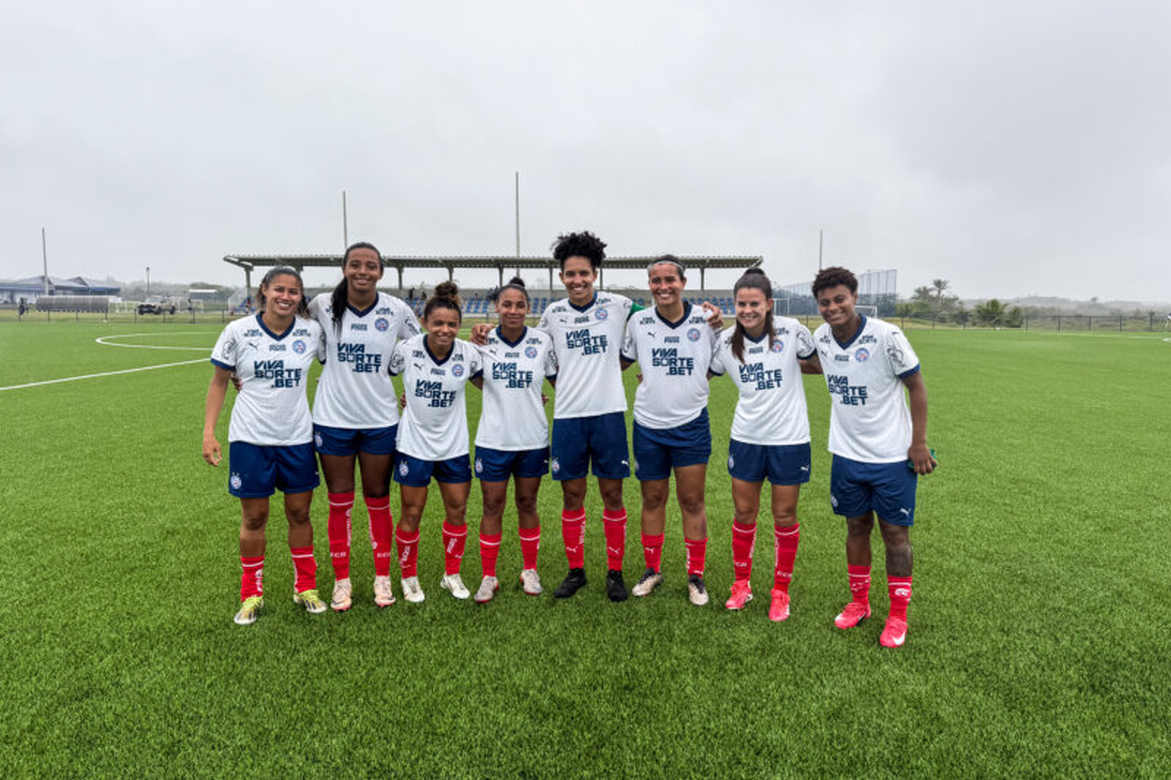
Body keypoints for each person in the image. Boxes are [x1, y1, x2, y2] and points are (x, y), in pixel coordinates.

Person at [809, 266, 937, 648]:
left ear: (854, 297)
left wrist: (918, 444)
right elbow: (816, 364)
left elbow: (916, 386)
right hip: (846, 455)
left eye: (839, 300)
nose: (833, 308)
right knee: (855, 528)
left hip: (892, 457)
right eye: (825, 302)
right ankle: (860, 603)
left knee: (895, 534)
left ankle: (898, 616)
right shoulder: (822, 338)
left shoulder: (887, 336)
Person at [202, 266, 326, 626]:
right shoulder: (237, 332)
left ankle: (305, 586)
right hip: (250, 439)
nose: (286, 297)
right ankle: (251, 594)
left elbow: (342, 364)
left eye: (294, 291)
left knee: (300, 514)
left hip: (297, 438)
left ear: (300, 297)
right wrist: (209, 432)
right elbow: (219, 382)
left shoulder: (311, 332)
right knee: (254, 516)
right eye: (280, 290)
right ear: (264, 291)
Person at [308, 242, 421, 611]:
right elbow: (294, 335)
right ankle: (342, 581)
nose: (362, 271)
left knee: (378, 501)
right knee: (339, 503)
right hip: (333, 418)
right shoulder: (322, 305)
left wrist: (409, 384)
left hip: (380, 420)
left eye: (370, 266)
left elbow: (421, 346)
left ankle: (382, 577)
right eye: (355, 265)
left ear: (380, 272)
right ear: (344, 269)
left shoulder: (396, 309)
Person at [708, 268, 818, 621]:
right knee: (743, 514)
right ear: (734, 305)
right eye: (741, 304)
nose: (748, 310)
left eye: (754, 303)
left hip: (789, 440)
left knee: (784, 515)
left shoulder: (792, 330)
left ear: (768, 304)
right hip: (747, 439)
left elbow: (819, 361)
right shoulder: (725, 342)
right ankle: (742, 584)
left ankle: (780, 592)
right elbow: (704, 373)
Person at [620, 256, 719, 606]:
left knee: (692, 500)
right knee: (652, 498)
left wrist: (690, 385)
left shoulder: (706, 320)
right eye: (656, 281)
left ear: (683, 282)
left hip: (691, 424)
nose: (663, 286)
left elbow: (717, 364)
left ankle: (696, 576)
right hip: (648, 425)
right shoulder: (639, 322)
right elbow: (622, 361)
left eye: (669, 280)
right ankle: (652, 570)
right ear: (649, 285)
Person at [388, 282, 482, 603]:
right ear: (425, 321)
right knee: (411, 512)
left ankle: (451, 574)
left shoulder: (469, 354)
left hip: (453, 447)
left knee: (457, 510)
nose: (445, 330)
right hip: (413, 445)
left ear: (459, 325)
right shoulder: (407, 349)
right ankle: (409, 576)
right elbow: (373, 376)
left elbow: (493, 386)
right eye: (438, 323)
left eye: (452, 324)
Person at [469, 277, 557, 602]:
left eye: (520, 305)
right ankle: (488, 576)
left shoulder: (542, 341)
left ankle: (529, 569)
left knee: (527, 503)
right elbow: (474, 377)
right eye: (507, 304)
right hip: (493, 439)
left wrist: (528, 396)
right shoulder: (482, 340)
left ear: (528, 308)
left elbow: (556, 379)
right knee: (492, 505)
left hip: (532, 438)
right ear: (497, 307)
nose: (513, 310)